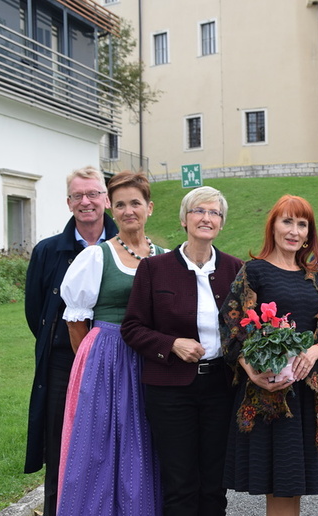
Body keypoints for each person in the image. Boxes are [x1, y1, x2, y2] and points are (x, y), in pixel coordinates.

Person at [221, 194, 318, 516]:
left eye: (302, 224)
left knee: (296, 487)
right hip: (270, 393)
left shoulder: (315, 276)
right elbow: (231, 327)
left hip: (309, 394)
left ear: (309, 233)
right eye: (287, 221)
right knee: (279, 488)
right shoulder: (254, 271)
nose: (294, 231)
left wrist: (315, 350)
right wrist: (252, 371)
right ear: (273, 226)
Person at [120, 186, 243, 516]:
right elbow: (132, 327)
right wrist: (171, 344)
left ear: (221, 223)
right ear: (184, 219)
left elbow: (245, 327)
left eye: (214, 213)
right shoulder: (154, 268)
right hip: (170, 391)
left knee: (214, 484)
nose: (206, 218)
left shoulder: (236, 269)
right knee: (180, 485)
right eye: (198, 211)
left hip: (220, 388)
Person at [57, 171, 164, 515]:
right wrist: (93, 367)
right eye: (120, 205)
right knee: (98, 446)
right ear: (110, 209)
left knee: (144, 441)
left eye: (135, 203)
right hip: (107, 359)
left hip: (151, 358)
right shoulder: (97, 256)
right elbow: (76, 322)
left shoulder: (165, 256)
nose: (128, 211)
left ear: (149, 207)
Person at [24, 166, 117, 516]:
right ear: (68, 202)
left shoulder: (127, 246)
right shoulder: (48, 251)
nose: (86, 201)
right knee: (61, 447)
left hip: (117, 361)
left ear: (106, 200)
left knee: (114, 444)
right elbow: (37, 312)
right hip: (63, 364)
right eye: (78, 195)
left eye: (93, 193)